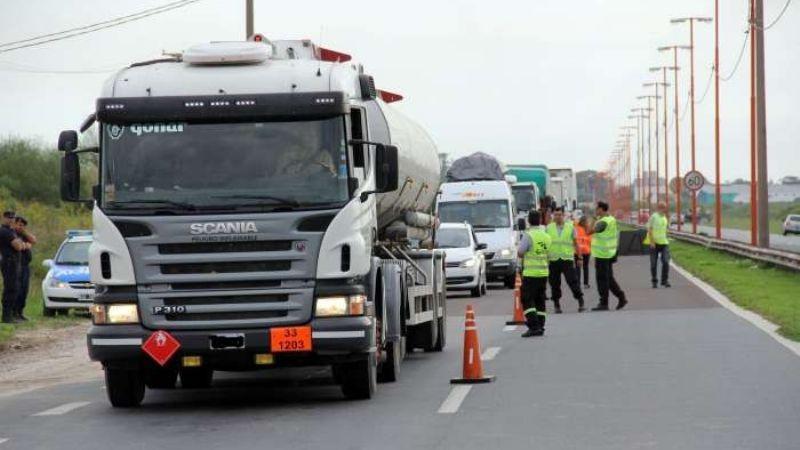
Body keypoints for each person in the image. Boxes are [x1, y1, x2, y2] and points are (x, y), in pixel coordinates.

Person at [516, 210, 552, 337]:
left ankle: (534, 326)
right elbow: (549, 254)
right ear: (540, 221)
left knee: (527, 299)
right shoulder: (546, 236)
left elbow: (520, 252)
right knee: (540, 300)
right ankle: (541, 325)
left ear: (529, 221)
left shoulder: (528, 235)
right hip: (543, 273)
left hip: (531, 273)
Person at [589, 202, 628, 311]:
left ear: (601, 209)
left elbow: (588, 231)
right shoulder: (610, 219)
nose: (595, 211)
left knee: (602, 279)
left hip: (603, 254)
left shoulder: (603, 222)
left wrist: (593, 219)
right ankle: (621, 297)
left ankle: (604, 303)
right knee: (609, 278)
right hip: (609, 252)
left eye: (596, 209)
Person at [545, 207, 585, 313]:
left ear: (564, 215)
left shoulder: (570, 227)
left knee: (572, 281)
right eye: (556, 215)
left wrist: (580, 257)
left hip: (567, 259)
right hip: (553, 260)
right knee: (554, 284)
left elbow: (576, 244)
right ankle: (557, 305)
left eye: (559, 215)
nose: (557, 217)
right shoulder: (548, 228)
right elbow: (545, 244)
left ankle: (580, 301)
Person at [1, 211, 26, 323]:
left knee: (14, 288)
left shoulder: (11, 231)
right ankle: (6, 316)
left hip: (14, 262)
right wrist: (21, 243)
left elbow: (20, 244)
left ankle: (10, 315)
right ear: (4, 218)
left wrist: (20, 243)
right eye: (9, 217)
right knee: (10, 289)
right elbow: (18, 246)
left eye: (12, 218)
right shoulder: (5, 231)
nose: (11, 219)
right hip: (9, 262)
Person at [13, 216, 36, 321]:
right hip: (15, 266)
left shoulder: (23, 234)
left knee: (24, 290)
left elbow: (33, 240)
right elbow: (20, 246)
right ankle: (13, 313)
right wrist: (26, 245)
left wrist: (24, 232)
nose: (21, 227)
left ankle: (20, 312)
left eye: (23, 225)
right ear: (14, 224)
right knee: (16, 289)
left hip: (25, 266)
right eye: (19, 224)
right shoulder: (11, 234)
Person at [646, 202, 671, 288]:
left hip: (664, 243)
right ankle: (654, 281)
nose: (665, 210)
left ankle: (664, 281)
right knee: (653, 263)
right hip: (654, 243)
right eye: (664, 208)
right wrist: (652, 242)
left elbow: (665, 230)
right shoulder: (654, 217)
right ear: (660, 208)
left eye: (665, 209)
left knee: (666, 261)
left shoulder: (665, 218)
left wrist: (667, 237)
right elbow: (649, 229)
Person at [574, 215, 592, 289]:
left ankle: (579, 283)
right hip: (585, 251)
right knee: (585, 267)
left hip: (578, 251)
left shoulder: (576, 228)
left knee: (579, 267)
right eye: (587, 221)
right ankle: (585, 284)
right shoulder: (588, 230)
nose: (587, 223)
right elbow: (591, 240)